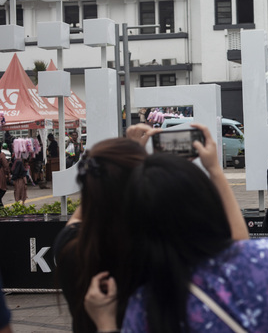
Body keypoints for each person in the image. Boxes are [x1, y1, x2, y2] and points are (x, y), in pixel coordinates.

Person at [85, 127, 268, 333]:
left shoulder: (144, 304)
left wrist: (106, 323)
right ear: (205, 202)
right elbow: (242, 247)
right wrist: (214, 170)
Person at [54, 124, 249, 332]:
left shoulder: (71, 245)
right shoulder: (147, 248)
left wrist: (126, 157)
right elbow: (239, 247)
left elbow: (96, 197)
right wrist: (214, 170)